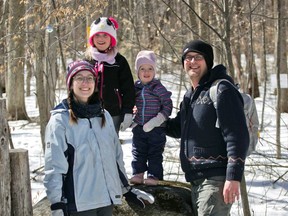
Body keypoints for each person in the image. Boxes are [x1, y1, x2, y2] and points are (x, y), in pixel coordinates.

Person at [43, 60, 154, 216]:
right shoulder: (60, 120)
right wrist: (57, 204)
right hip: (78, 205)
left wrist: (126, 190)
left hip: (106, 201)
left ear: (95, 84)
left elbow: (115, 158)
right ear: (70, 83)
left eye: (90, 77)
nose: (85, 82)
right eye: (79, 77)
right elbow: (55, 166)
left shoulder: (104, 115)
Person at [165, 40, 249, 215]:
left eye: (198, 57)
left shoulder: (222, 89)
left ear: (208, 61)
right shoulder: (190, 95)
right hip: (196, 179)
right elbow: (177, 128)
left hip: (216, 179)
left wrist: (233, 176)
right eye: (188, 58)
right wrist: (147, 118)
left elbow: (237, 135)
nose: (192, 62)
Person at [84, 16, 135, 135]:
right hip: (89, 112)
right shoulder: (87, 61)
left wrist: (127, 111)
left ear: (111, 38)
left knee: (110, 146)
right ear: (92, 38)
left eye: (105, 35)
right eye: (97, 35)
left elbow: (128, 89)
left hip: (113, 113)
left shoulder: (119, 61)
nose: (101, 39)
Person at [129, 50, 173, 186]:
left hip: (156, 128)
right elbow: (129, 103)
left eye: (150, 69)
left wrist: (159, 119)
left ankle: (154, 175)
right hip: (139, 127)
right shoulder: (135, 88)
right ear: (137, 71)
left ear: (154, 71)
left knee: (154, 153)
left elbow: (167, 104)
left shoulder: (158, 88)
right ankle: (138, 173)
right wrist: (131, 118)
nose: (146, 72)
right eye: (142, 69)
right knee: (138, 151)